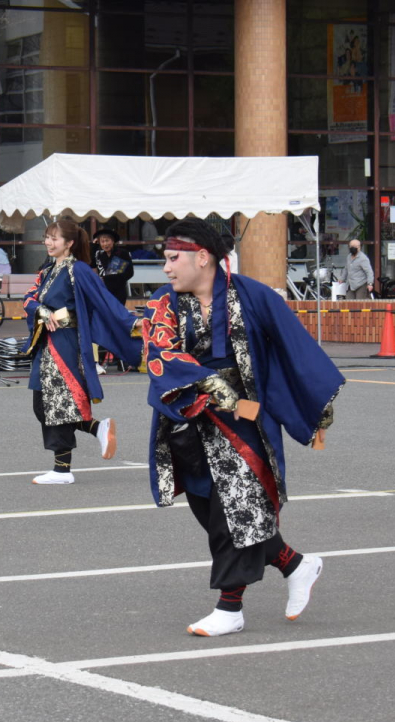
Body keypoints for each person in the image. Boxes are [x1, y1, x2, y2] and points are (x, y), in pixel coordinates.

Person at [142, 218, 344, 636]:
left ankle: (229, 608)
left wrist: (317, 402)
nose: (167, 268)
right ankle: (295, 564)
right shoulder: (164, 302)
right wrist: (206, 381)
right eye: (165, 260)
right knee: (214, 509)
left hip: (246, 421)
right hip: (190, 419)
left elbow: (295, 347)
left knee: (232, 508)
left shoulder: (252, 295)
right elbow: (158, 352)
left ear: (203, 257)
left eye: (173, 258)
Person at [23, 218, 143, 485]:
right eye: (46, 237)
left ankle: (62, 470)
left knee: (56, 403)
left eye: (54, 239)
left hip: (64, 344)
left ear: (69, 243)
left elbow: (105, 301)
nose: (48, 243)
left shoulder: (79, 270)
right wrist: (41, 310)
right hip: (46, 343)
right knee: (44, 405)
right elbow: (28, 299)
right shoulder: (46, 271)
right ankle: (97, 428)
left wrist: (132, 323)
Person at [92, 228, 135, 372]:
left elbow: (127, 273)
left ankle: (121, 358)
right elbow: (92, 265)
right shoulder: (99, 254)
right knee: (104, 323)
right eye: (102, 241)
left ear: (113, 241)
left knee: (117, 323)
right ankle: (103, 358)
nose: (105, 244)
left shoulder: (121, 253)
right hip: (104, 293)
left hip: (118, 293)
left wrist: (107, 280)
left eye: (107, 240)